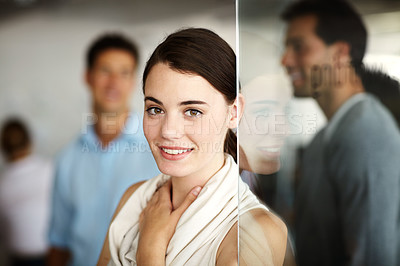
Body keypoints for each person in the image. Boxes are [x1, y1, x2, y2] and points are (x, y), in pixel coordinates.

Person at [97, 28, 287, 265]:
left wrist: (151, 249)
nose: (168, 130)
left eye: (192, 111)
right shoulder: (134, 198)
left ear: (234, 112)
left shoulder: (257, 231)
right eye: (156, 109)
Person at [280, 0, 400, 265]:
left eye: (298, 47)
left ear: (340, 53)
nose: (285, 60)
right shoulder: (323, 140)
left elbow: (373, 257)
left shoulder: (367, 132)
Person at [47, 34, 159, 266]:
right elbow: (59, 243)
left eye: (124, 73)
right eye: (105, 71)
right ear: (88, 77)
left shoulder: (160, 151)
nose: (114, 83)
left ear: (133, 82)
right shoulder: (67, 159)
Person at [0, 118, 53, 266]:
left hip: (19, 259)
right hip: (53, 256)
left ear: (3, 148)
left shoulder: (2, 184)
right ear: (30, 142)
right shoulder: (50, 169)